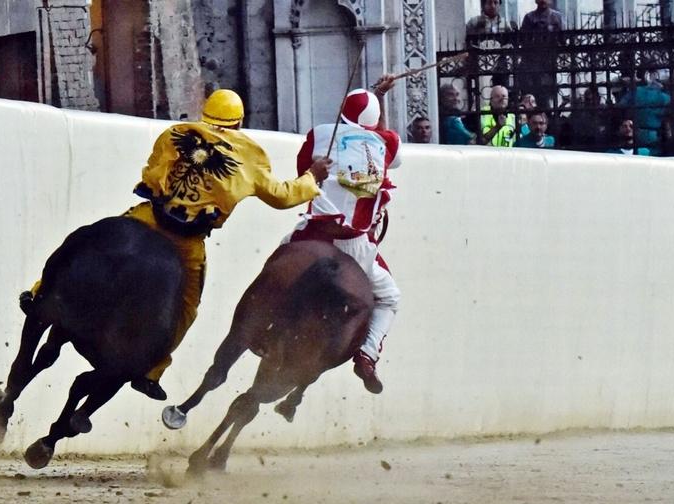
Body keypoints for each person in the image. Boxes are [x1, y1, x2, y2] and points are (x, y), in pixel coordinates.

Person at [20, 89, 332, 401]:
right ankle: (153, 370)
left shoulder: (177, 133)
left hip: (149, 218)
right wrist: (311, 178)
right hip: (187, 241)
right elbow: (281, 196)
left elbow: (153, 172)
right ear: (239, 122)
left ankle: (38, 294)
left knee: (88, 242)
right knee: (187, 307)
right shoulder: (249, 155)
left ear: (205, 114)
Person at [287, 75, 402, 394]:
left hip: (312, 234)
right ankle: (367, 354)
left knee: (281, 256)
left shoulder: (319, 134)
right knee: (390, 298)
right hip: (355, 246)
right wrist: (380, 99)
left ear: (342, 112)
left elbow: (302, 174)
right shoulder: (386, 142)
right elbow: (387, 144)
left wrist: (373, 94)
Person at [518, 0, 565, 108]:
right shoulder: (529, 18)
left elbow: (563, 41)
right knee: (531, 100)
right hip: (531, 66)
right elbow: (523, 41)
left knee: (546, 100)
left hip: (549, 65)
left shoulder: (557, 17)